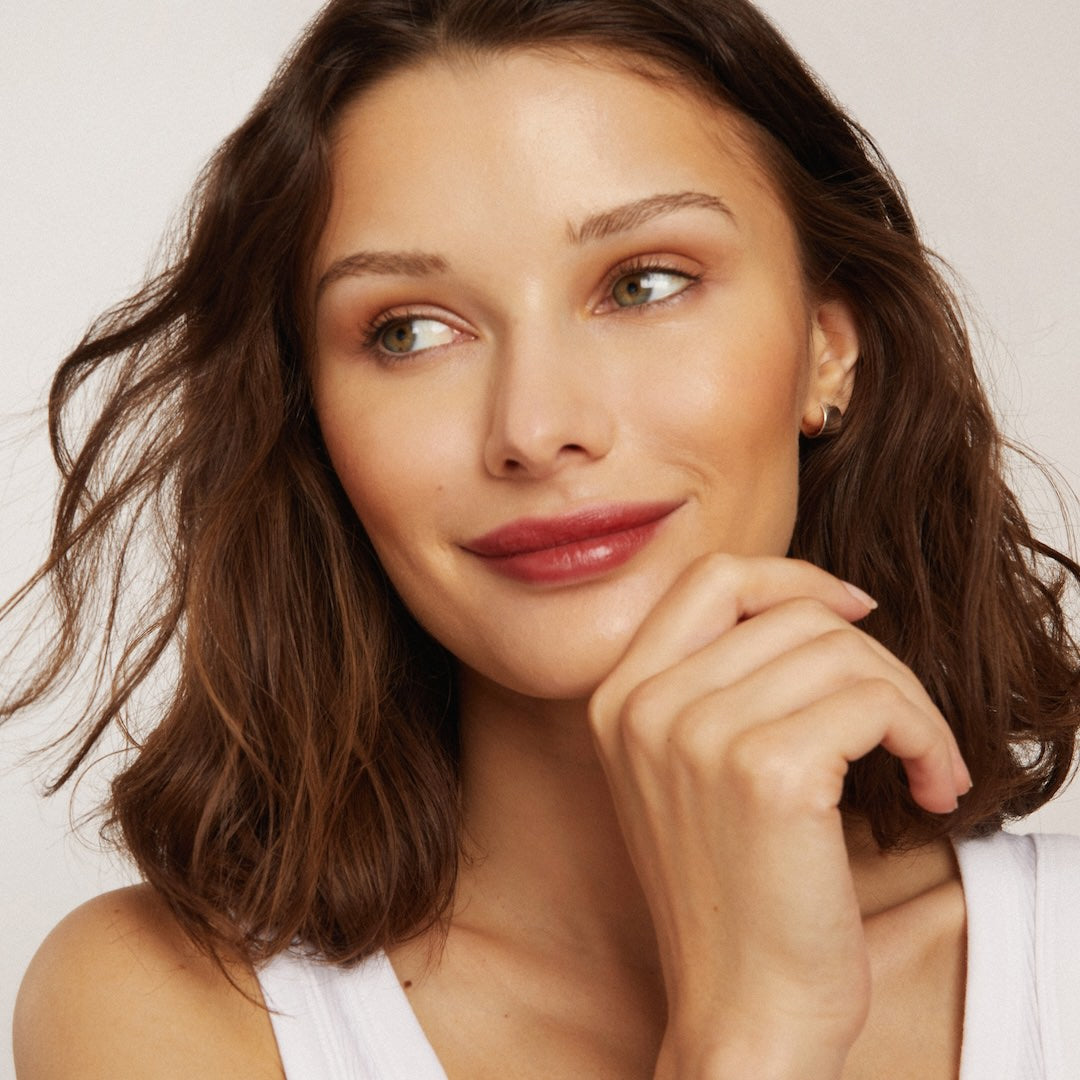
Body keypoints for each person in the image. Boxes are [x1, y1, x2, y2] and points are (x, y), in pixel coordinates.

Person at [7, 0, 1080, 1076]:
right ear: (312, 417)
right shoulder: (169, 1010)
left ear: (824, 350)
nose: (534, 429)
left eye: (643, 284)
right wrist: (751, 1038)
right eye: (409, 331)